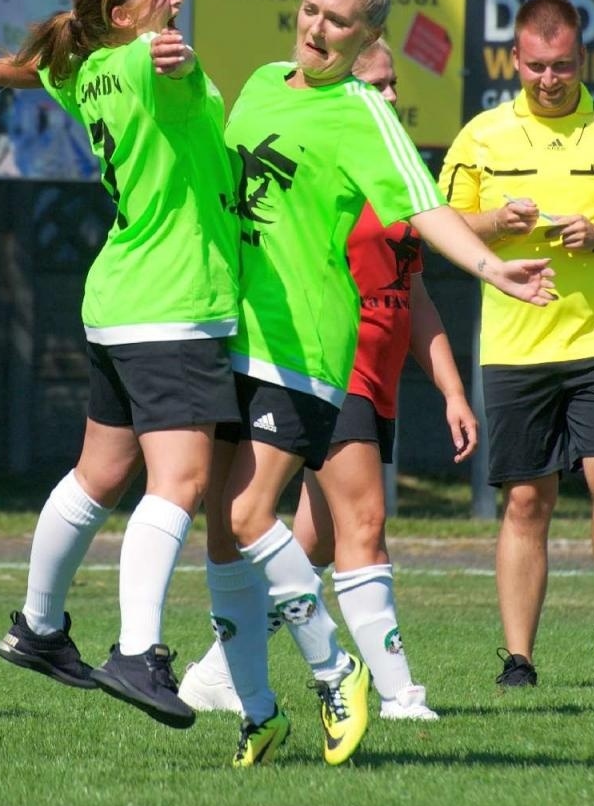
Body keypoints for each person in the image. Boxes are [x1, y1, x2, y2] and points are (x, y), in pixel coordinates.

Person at [203, 0, 557, 768]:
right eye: (311, 9)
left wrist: (492, 267)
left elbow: (426, 209)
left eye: (337, 20)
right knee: (222, 534)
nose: (315, 28)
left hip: (301, 344)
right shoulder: (259, 84)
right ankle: (256, 711)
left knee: (254, 517)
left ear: (366, 35)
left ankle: (338, 671)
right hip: (232, 334)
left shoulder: (363, 111)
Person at [0, 0, 238, 730]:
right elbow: (160, 65)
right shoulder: (149, 63)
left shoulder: (87, 69)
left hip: (120, 300)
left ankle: (38, 626)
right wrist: (169, 57)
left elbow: (51, 68)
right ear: (123, 16)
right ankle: (136, 652)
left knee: (99, 476)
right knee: (180, 484)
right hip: (173, 303)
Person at [178, 38, 474, 725]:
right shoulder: (331, 161)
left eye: (393, 83)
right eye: (377, 82)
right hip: (329, 365)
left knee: (315, 540)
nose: (389, 95)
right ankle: (392, 692)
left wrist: (454, 390)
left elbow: (415, 287)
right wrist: (489, 244)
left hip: (372, 377)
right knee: (350, 522)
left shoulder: (387, 165)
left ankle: (219, 671)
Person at [437, 0, 594, 690]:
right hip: (516, 346)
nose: (550, 79)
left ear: (584, 60)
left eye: (564, 66)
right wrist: (495, 222)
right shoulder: (482, 136)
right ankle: (519, 660)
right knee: (526, 502)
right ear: (514, 60)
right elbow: (437, 221)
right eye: (537, 66)